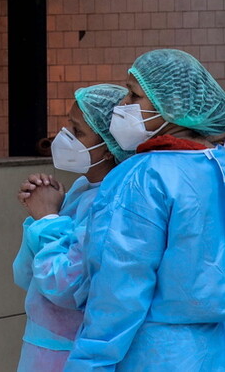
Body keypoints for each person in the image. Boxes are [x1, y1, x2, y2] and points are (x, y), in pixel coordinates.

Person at [65, 49, 225, 371]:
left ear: (175, 106)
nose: (122, 105)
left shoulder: (143, 177)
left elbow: (117, 291)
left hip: (156, 355)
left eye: (134, 95)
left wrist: (88, 364)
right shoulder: (216, 167)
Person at [13, 83, 132, 372]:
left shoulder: (111, 201)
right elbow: (25, 275)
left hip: (71, 350)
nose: (65, 138)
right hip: (41, 342)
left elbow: (67, 288)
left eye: (77, 132)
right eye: (68, 126)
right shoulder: (81, 189)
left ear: (108, 146)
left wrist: (47, 219)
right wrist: (41, 214)